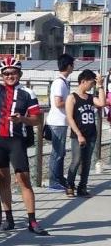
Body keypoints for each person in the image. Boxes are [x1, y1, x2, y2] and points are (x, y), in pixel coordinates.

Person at [0, 41, 47, 235]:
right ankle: (9, 219)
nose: (9, 76)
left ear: (19, 74)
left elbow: (37, 120)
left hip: (17, 141)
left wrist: (21, 119)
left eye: (13, 72)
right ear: (2, 76)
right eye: (6, 73)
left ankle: (32, 221)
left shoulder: (28, 93)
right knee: (3, 180)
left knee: (23, 180)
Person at [65, 70, 107, 196]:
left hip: (91, 134)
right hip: (78, 135)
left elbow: (102, 103)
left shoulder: (90, 97)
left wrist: (100, 86)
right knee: (76, 160)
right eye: (91, 83)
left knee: (87, 162)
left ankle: (82, 187)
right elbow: (70, 118)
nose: (92, 85)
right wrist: (79, 134)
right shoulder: (72, 97)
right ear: (83, 81)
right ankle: (70, 185)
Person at [45, 54, 75, 189]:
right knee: (57, 152)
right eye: (72, 65)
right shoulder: (59, 82)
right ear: (68, 66)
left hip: (61, 122)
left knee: (60, 152)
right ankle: (53, 181)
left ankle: (59, 178)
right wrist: (71, 102)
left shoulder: (63, 81)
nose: (73, 67)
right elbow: (58, 103)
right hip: (57, 122)